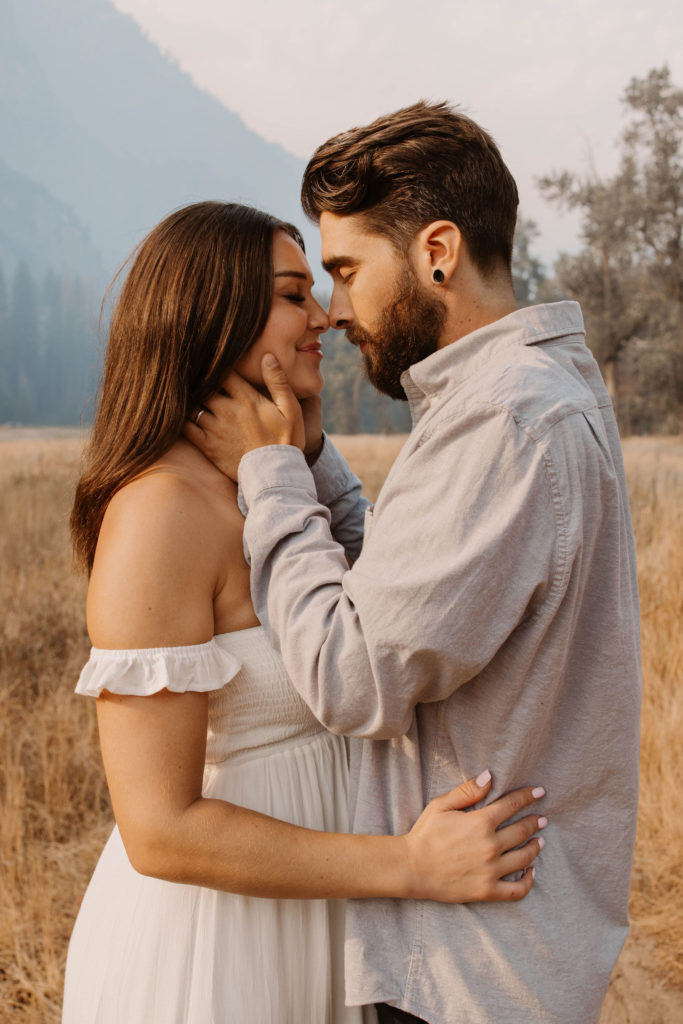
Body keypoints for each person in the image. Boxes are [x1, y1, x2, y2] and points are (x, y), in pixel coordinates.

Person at [186, 103, 642, 1024]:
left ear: (436, 249)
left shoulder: (503, 420)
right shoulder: (534, 391)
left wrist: (271, 477)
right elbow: (409, 597)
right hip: (502, 952)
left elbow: (352, 674)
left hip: (466, 968)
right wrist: (311, 458)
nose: (336, 310)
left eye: (348, 270)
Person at [62, 201, 547, 1024]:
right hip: (219, 950)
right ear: (213, 315)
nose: (325, 315)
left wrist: (301, 459)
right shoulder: (161, 512)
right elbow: (160, 829)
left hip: (320, 919)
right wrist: (409, 866)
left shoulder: (266, 483)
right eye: (295, 294)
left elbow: (372, 632)